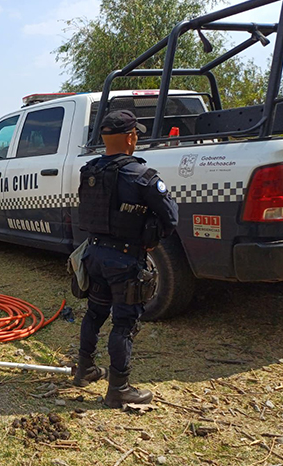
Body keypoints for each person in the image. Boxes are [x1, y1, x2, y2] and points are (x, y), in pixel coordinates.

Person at [74, 110, 178, 408]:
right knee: (124, 323)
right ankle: (119, 389)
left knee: (95, 313)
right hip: (124, 260)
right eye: (136, 135)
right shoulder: (142, 176)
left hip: (94, 254)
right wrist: (151, 237)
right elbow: (171, 217)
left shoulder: (90, 171)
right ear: (131, 138)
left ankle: (85, 369)